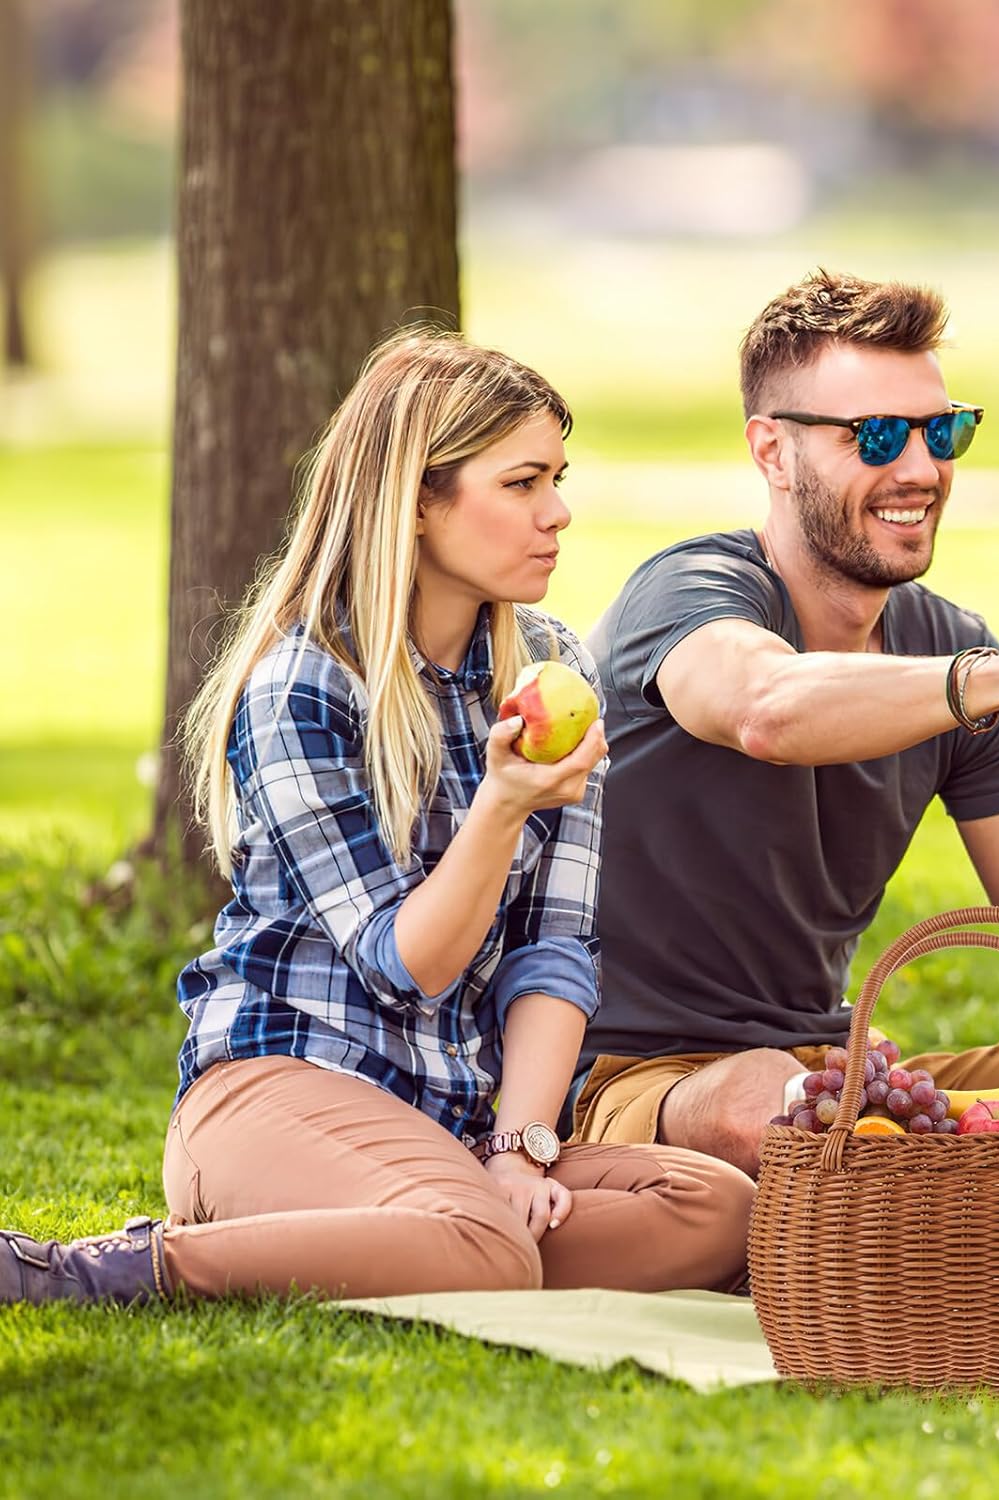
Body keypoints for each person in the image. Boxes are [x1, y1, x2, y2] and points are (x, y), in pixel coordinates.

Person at [1, 330, 753, 1306]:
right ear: (419, 502)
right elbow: (410, 963)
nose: (558, 513)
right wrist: (501, 806)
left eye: (557, 478)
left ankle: (434, 1238)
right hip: (281, 1089)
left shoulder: (552, 668)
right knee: (486, 1248)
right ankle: (108, 1271)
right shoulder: (305, 687)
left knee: (717, 1207)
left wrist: (523, 1151)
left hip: (455, 1123)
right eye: (522, 483)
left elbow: (554, 949)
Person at [567, 268, 999, 1179]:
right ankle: (964, 1184)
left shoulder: (954, 652)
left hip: (839, 1077)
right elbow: (767, 708)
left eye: (944, 431)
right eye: (877, 435)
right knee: (759, 1106)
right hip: (631, 1082)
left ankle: (958, 1178)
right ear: (771, 453)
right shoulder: (687, 593)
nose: (921, 470)